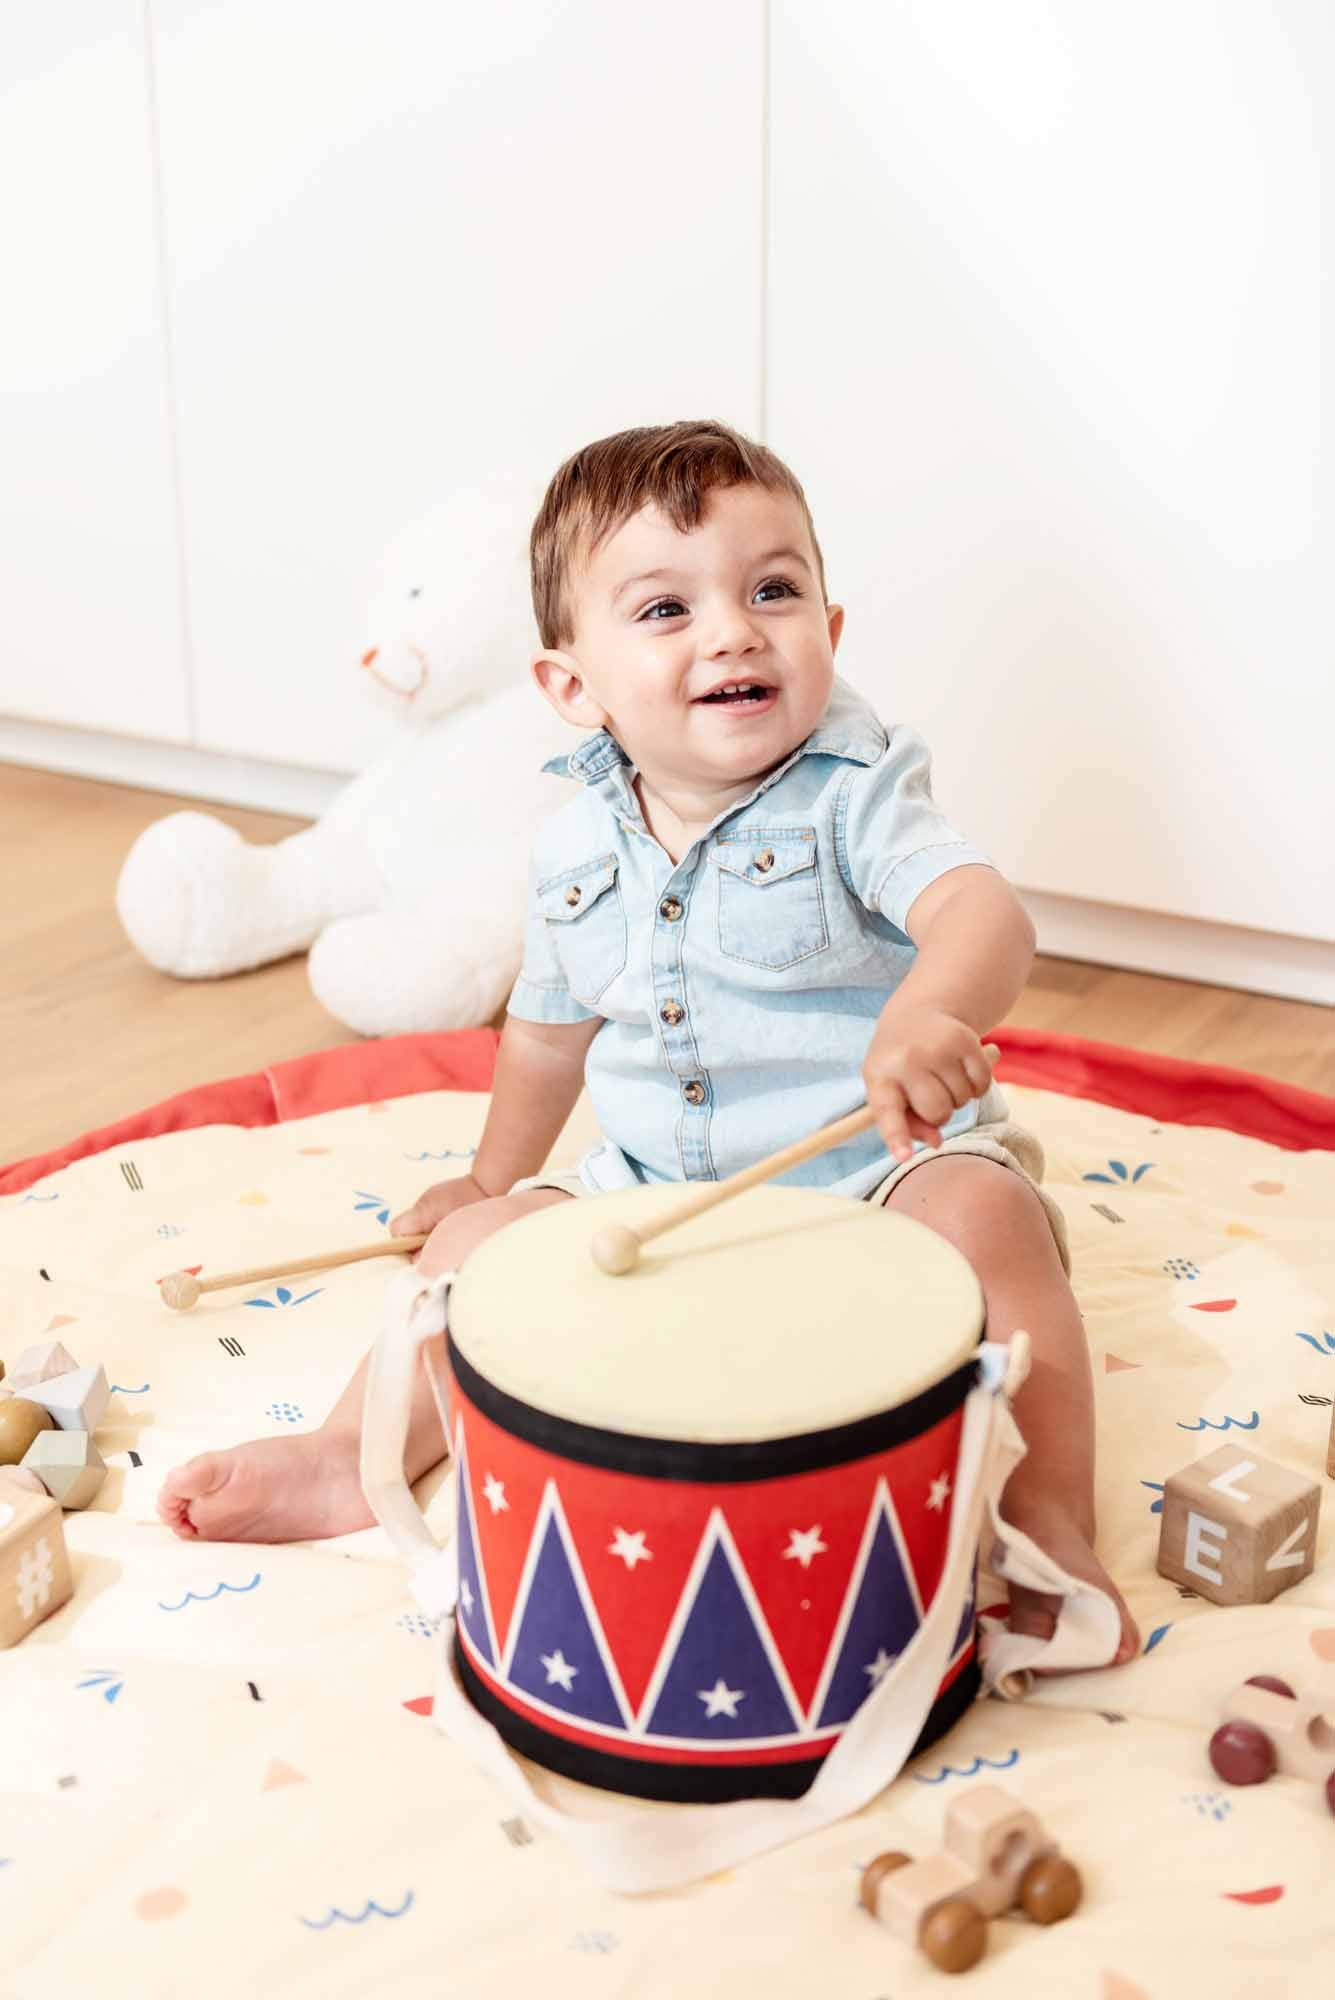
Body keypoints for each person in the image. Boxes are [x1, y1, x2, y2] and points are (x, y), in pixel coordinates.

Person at [159, 418, 1139, 1664]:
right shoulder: (572, 843)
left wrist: (930, 1011)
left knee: (989, 1216)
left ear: (830, 631)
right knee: (466, 1253)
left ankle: (1044, 1520)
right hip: (649, 1191)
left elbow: (981, 911)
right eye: (668, 609)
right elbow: (545, 1037)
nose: (733, 631)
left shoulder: (857, 789)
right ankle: (347, 1454)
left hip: (873, 1172)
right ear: (574, 687)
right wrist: (492, 1177)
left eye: (772, 591)